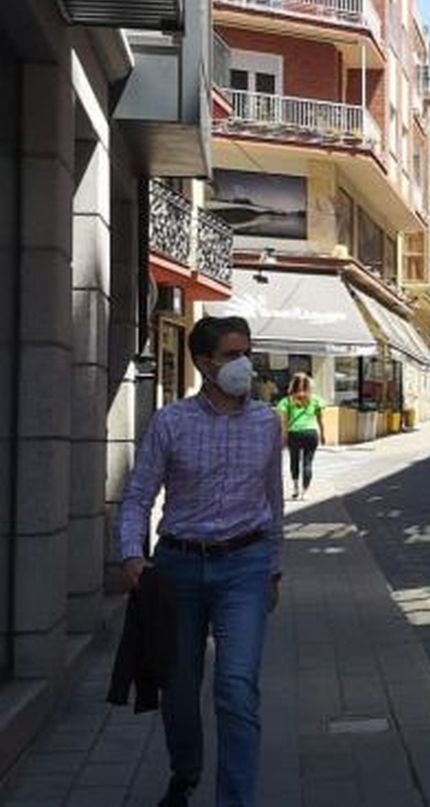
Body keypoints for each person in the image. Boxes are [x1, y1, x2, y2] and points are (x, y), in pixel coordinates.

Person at [117, 316, 284, 807]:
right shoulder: (171, 422)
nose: (244, 365)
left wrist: (274, 565)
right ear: (204, 363)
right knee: (179, 690)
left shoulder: (266, 422)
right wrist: (131, 554)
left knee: (236, 687)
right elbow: (137, 496)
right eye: (233, 355)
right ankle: (185, 772)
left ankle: (234, 799)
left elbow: (273, 499)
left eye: (246, 353)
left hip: (246, 567)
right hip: (178, 570)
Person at [277, 372, 327, 501]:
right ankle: (305, 492)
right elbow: (321, 419)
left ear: (292, 384)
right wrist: (323, 435)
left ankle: (295, 488)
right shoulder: (315, 399)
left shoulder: (286, 401)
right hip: (311, 433)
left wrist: (283, 438)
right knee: (308, 462)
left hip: (294, 433)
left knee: (294, 460)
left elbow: (283, 422)